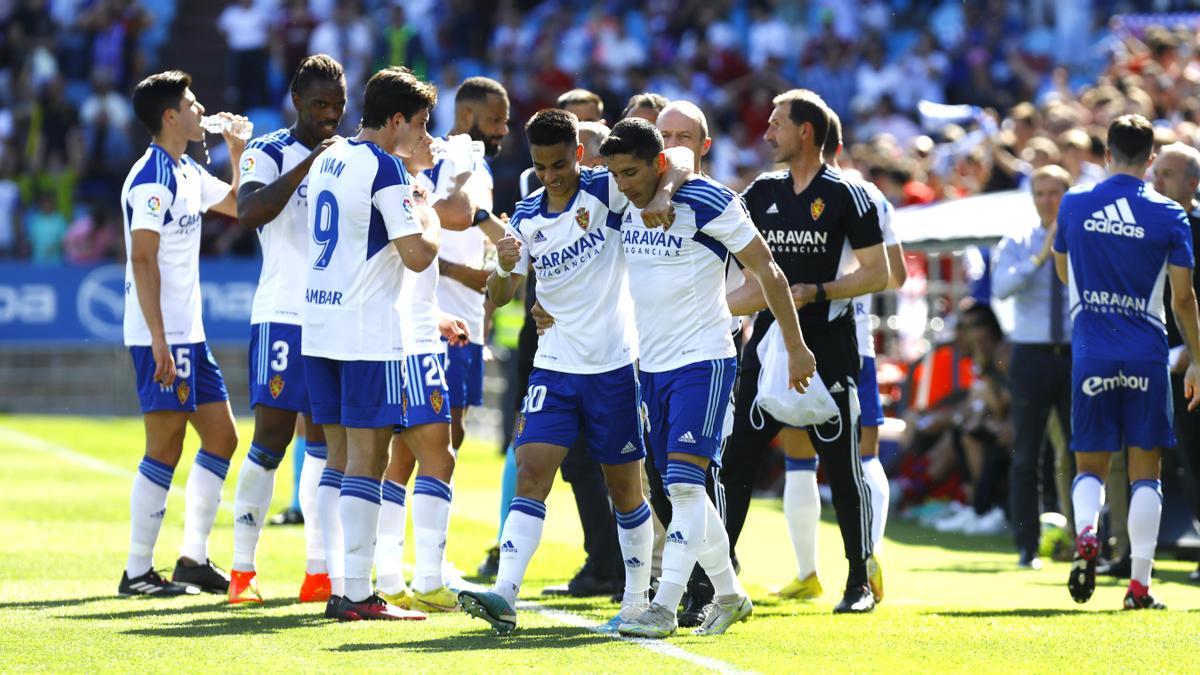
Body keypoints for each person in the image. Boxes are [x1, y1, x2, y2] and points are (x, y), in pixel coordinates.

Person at [458, 108, 692, 635]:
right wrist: (502, 265)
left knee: (625, 491)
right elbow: (499, 296)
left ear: (578, 155)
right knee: (533, 470)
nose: (551, 176)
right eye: (540, 167)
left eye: (559, 164)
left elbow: (675, 157)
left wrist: (659, 196)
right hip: (555, 367)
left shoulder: (606, 191)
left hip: (613, 367)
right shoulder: (525, 215)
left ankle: (635, 600)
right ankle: (505, 595)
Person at [590, 118, 813, 638]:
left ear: (658, 163)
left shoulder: (710, 201)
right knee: (681, 491)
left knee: (687, 487)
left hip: (705, 360)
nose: (623, 184)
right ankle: (731, 596)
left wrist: (797, 346)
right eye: (616, 174)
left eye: (631, 173)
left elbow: (770, 272)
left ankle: (663, 607)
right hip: (653, 367)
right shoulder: (624, 200)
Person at [724, 89, 888, 614]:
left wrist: (818, 291)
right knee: (738, 461)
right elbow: (726, 251)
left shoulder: (848, 195)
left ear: (806, 132)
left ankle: (858, 581)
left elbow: (879, 274)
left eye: (776, 125)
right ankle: (718, 578)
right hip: (768, 343)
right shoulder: (761, 190)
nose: (768, 133)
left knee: (843, 466)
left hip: (830, 347)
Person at [301, 66, 448, 621]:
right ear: (396, 120)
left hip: (319, 325)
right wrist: (426, 210)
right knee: (370, 458)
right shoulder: (387, 168)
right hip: (364, 331)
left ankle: (338, 580)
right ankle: (358, 594)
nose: (421, 134)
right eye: (420, 123)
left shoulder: (332, 153)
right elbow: (417, 255)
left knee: (337, 457)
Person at [1052, 114, 1200, 610]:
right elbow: (1183, 298)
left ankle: (1089, 531)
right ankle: (1139, 586)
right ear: (1151, 160)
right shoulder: (1169, 214)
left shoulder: (1074, 203)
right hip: (1147, 352)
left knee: (1089, 465)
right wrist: (1197, 359)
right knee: (1146, 472)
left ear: (1107, 151)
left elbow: (1061, 268)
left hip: (1092, 349)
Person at [118, 70, 247, 596]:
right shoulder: (152, 178)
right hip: (163, 334)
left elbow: (240, 206)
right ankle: (137, 571)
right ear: (170, 116)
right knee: (166, 443)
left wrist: (239, 150)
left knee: (222, 437)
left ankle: (192, 559)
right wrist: (158, 338)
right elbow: (142, 259)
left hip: (188, 333)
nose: (201, 110)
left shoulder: (188, 171)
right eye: (192, 103)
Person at [226, 54, 346, 605]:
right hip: (282, 316)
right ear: (297, 101)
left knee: (323, 444)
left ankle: (318, 573)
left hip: (334, 315)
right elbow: (248, 212)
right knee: (271, 440)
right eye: (320, 105)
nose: (330, 115)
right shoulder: (268, 151)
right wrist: (309, 164)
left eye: (338, 106)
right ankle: (242, 571)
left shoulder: (348, 158)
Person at [781, 110, 906, 601]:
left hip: (846, 339)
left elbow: (889, 273)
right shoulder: (856, 192)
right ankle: (812, 572)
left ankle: (857, 560)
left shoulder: (857, 195)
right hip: (802, 337)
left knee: (852, 450)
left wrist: (827, 288)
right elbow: (896, 270)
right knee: (818, 452)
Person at [373, 129, 471, 614]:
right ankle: (430, 579)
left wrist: (437, 315)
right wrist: (461, 173)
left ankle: (389, 577)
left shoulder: (392, 190)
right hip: (414, 348)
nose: (432, 139)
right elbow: (460, 215)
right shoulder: (411, 192)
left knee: (398, 461)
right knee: (440, 456)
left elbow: (403, 280)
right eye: (423, 129)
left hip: (402, 336)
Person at [991, 164, 1074, 571]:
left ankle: (1085, 538)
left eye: (1054, 192)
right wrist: (1041, 257)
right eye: (1040, 192)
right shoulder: (1017, 241)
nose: (1047, 200)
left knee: (1081, 451)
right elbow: (1001, 289)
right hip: (1032, 354)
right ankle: (1027, 545)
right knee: (1027, 455)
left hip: (1075, 353)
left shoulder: (1081, 240)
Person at [1150, 142, 1200, 583]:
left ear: (1193, 183)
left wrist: (1193, 349)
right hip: (1154, 358)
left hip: (1191, 361)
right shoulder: (1143, 227)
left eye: (1167, 173)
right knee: (1183, 459)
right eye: (1156, 171)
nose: (1157, 180)